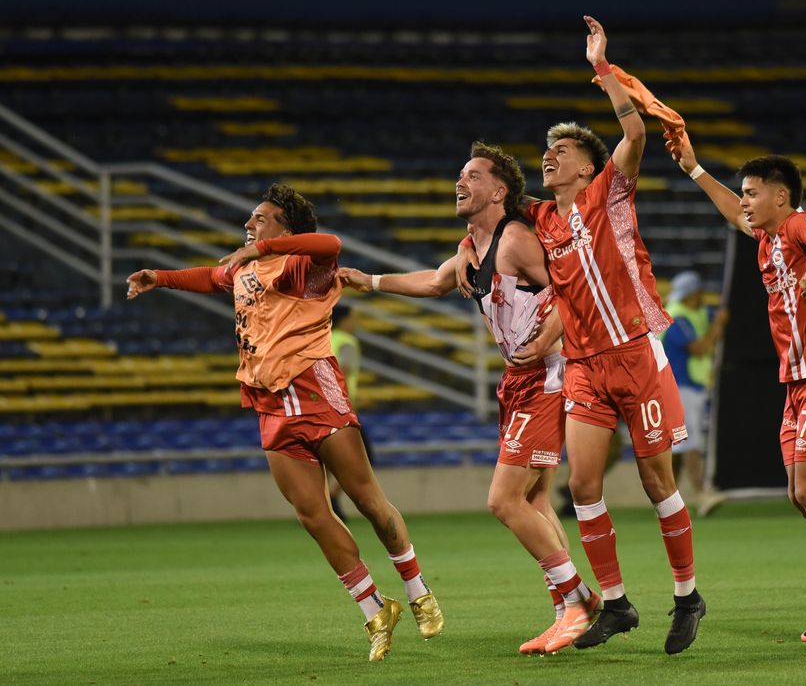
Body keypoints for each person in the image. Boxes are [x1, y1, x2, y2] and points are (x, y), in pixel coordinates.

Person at [459, 17, 706, 655]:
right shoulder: (539, 219)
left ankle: (687, 594)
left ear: (589, 166)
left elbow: (633, 130)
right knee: (584, 487)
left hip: (636, 353)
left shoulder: (611, 193)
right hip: (585, 366)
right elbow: (492, 223)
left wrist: (602, 67)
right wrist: (467, 253)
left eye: (562, 152)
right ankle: (616, 603)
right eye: (547, 152)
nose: (550, 157)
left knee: (658, 484)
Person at [125, 183, 443, 662]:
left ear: (285, 228)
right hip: (269, 402)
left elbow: (331, 244)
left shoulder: (301, 267)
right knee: (313, 515)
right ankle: (376, 610)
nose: (250, 224)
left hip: (314, 390)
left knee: (367, 499)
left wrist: (264, 246)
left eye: (261, 217)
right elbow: (211, 275)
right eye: (251, 220)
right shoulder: (246, 270)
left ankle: (418, 591)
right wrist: (160, 277)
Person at [339, 141, 599, 655]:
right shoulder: (472, 248)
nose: (461, 182)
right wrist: (368, 281)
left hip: (546, 375)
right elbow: (435, 282)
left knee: (503, 500)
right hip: (519, 379)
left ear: (499, 190)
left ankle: (577, 601)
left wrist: (546, 342)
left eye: (473, 176)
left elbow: (577, 292)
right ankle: (570, 607)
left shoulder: (515, 241)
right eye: (460, 174)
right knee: (534, 500)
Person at [664, 132, 806, 643]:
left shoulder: (796, 225)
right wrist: (695, 169)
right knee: (799, 493)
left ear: (780, 196)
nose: (743, 199)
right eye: (743, 192)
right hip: (797, 378)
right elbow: (730, 212)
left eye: (751, 191)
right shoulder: (767, 239)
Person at [661, 270, 729, 516]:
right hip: (680, 386)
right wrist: (717, 326)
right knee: (689, 442)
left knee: (678, 446)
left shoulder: (695, 313)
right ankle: (702, 494)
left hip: (691, 386)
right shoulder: (677, 317)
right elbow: (699, 349)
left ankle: (666, 501)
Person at [327, 304, 373, 522]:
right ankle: (330, 497)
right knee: (366, 457)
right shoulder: (347, 342)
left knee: (326, 458)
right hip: (342, 409)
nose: (355, 323)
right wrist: (348, 403)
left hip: (322, 408)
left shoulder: (324, 338)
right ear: (343, 320)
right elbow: (342, 372)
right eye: (353, 318)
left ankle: (324, 503)